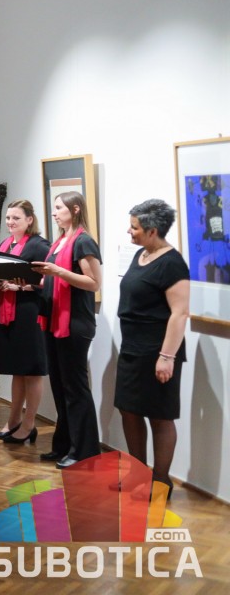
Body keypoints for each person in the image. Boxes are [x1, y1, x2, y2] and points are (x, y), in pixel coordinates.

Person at [115, 199, 189, 499]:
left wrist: (166, 357)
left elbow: (179, 314)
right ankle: (137, 473)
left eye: (134, 227)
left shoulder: (172, 263)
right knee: (129, 410)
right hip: (132, 348)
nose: (129, 231)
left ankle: (160, 482)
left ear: (152, 230)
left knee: (159, 415)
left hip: (158, 350)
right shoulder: (141, 254)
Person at [31, 191, 103, 469]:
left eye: (59, 208)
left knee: (75, 389)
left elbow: (93, 282)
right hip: (53, 319)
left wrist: (57, 272)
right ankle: (63, 445)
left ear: (75, 210)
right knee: (60, 388)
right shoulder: (60, 240)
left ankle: (85, 451)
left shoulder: (83, 241)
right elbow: (51, 281)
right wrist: (27, 282)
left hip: (74, 323)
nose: (54, 212)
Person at [0, 200, 51, 444]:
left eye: (16, 218)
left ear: (29, 220)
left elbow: (49, 279)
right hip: (9, 312)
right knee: (18, 369)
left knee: (32, 371)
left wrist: (21, 287)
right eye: (8, 218)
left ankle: (29, 423)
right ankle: (13, 420)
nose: (11, 222)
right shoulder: (6, 244)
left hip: (29, 312)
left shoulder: (39, 245)